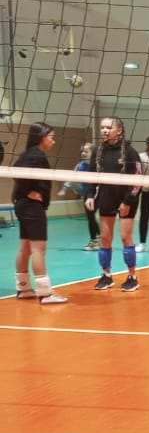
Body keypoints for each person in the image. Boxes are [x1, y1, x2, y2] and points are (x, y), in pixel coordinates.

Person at [11, 122, 68, 304]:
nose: (53, 141)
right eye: (51, 137)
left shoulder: (28, 154)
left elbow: (15, 170)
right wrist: (28, 191)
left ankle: (23, 288)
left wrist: (22, 193)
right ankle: (45, 293)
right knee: (38, 249)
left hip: (23, 205)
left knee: (25, 248)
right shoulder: (36, 155)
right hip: (31, 207)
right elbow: (18, 175)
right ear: (41, 137)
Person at [85, 116, 144, 292]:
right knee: (105, 238)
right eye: (102, 127)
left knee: (126, 237)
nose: (104, 130)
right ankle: (106, 275)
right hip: (106, 196)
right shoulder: (98, 151)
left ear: (119, 130)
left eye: (108, 127)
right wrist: (90, 194)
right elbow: (92, 175)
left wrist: (128, 201)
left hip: (127, 197)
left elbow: (138, 179)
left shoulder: (130, 152)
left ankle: (132, 276)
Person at [70, 143, 100, 250]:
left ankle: (96, 240)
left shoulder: (98, 165)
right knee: (90, 217)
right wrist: (79, 191)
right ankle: (97, 239)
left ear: (93, 152)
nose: (83, 153)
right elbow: (73, 180)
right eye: (82, 151)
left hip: (98, 195)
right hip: (87, 195)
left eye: (86, 151)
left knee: (93, 217)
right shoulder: (80, 166)